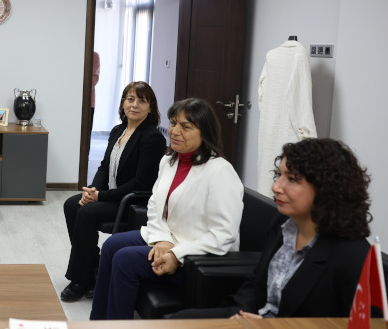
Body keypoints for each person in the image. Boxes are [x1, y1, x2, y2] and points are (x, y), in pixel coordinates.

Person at [170, 138, 372, 319]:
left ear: (326, 188)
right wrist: (241, 314)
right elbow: (256, 282)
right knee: (174, 321)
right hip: (250, 319)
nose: (276, 186)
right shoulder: (283, 224)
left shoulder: (353, 255)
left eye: (292, 179)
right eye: (279, 175)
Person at [90, 97, 244, 320]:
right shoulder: (169, 160)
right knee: (111, 245)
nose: (175, 131)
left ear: (205, 133)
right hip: (168, 237)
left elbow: (224, 235)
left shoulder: (220, 172)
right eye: (173, 123)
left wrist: (175, 253)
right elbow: (154, 205)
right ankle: (97, 322)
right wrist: (162, 240)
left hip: (198, 256)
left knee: (124, 260)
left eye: (186, 126)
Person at [61, 81, 165, 302]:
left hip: (133, 202)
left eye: (142, 101)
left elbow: (140, 184)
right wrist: (92, 190)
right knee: (72, 204)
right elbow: (104, 166)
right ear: (123, 103)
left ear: (150, 107)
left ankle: (80, 279)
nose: (135, 105)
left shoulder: (152, 137)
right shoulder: (118, 131)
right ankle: (93, 268)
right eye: (130, 99)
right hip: (112, 196)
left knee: (86, 213)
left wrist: (100, 196)